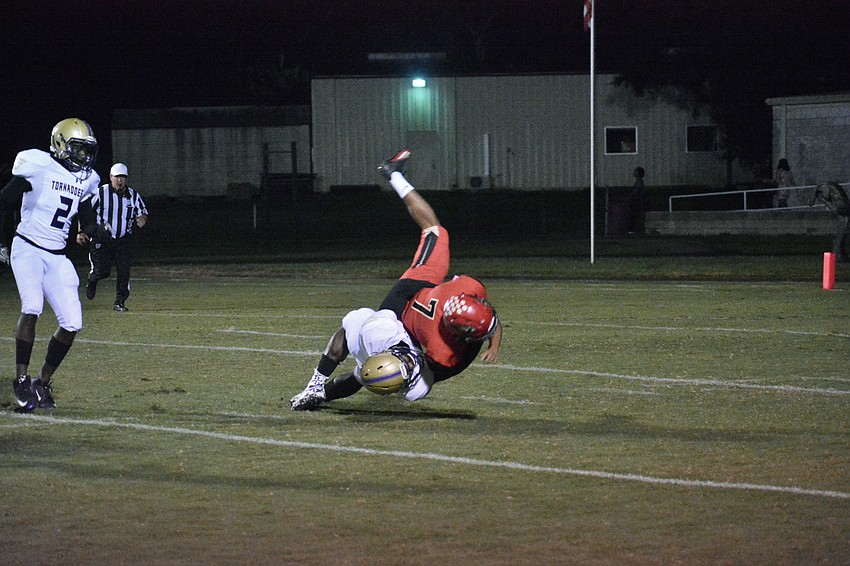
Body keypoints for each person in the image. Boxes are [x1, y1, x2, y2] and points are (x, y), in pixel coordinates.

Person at [290, 149, 502, 410]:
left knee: (434, 231)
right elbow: (479, 330)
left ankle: (394, 175)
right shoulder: (444, 350)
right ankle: (316, 386)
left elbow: (489, 319)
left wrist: (493, 343)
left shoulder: (466, 295)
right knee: (370, 357)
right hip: (399, 309)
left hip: (419, 295)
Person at [0, 118, 105, 412]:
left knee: (72, 323)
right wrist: (1, 243)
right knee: (32, 306)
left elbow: (85, 211)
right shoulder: (38, 165)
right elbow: (4, 200)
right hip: (29, 247)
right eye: (78, 149)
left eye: (87, 150)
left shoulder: (86, 180)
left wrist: (91, 229)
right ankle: (21, 378)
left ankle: (41, 382)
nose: (84, 156)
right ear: (60, 145)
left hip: (57, 255)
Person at [76, 162, 149, 312]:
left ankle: (119, 302)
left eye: (123, 177)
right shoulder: (100, 193)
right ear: (110, 177)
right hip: (102, 239)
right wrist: (81, 232)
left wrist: (142, 218)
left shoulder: (133, 195)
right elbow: (84, 212)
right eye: (117, 177)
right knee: (103, 271)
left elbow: (143, 211)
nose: (120, 180)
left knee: (124, 271)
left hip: (123, 239)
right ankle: (93, 279)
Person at [811, 181, 850, 263]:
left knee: (842, 236)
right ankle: (837, 256)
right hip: (843, 211)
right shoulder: (832, 190)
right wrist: (827, 202)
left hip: (843, 211)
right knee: (841, 237)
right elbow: (836, 210)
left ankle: (840, 256)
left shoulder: (831, 190)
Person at [624, 166, 646, 234]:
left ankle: (635, 230)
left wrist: (629, 197)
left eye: (635, 171)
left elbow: (635, 191)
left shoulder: (639, 182)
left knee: (635, 215)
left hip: (636, 201)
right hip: (635, 201)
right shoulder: (638, 181)